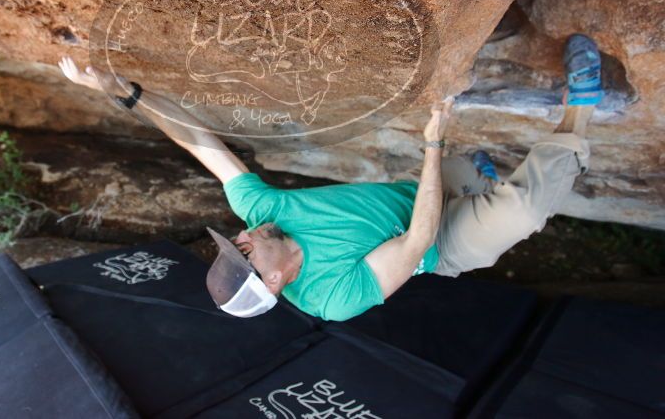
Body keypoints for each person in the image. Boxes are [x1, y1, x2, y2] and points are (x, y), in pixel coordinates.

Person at [59, 34, 602, 321]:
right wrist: (433, 142)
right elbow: (417, 239)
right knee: (524, 211)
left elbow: (205, 145)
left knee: (464, 172)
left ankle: (472, 175)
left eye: (235, 241)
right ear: (275, 283)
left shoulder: (264, 216)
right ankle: (579, 111)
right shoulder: (331, 300)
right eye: (243, 254)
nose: (243, 236)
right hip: (440, 244)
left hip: (409, 196)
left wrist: (122, 90)